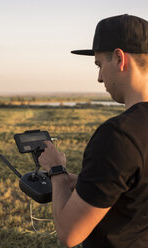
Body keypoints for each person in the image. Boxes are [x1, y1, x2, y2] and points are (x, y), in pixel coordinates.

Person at [38, 14, 148, 248]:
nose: (99, 78)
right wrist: (85, 184)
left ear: (119, 58)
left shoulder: (118, 136)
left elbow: (69, 234)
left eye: (99, 64)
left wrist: (56, 170)